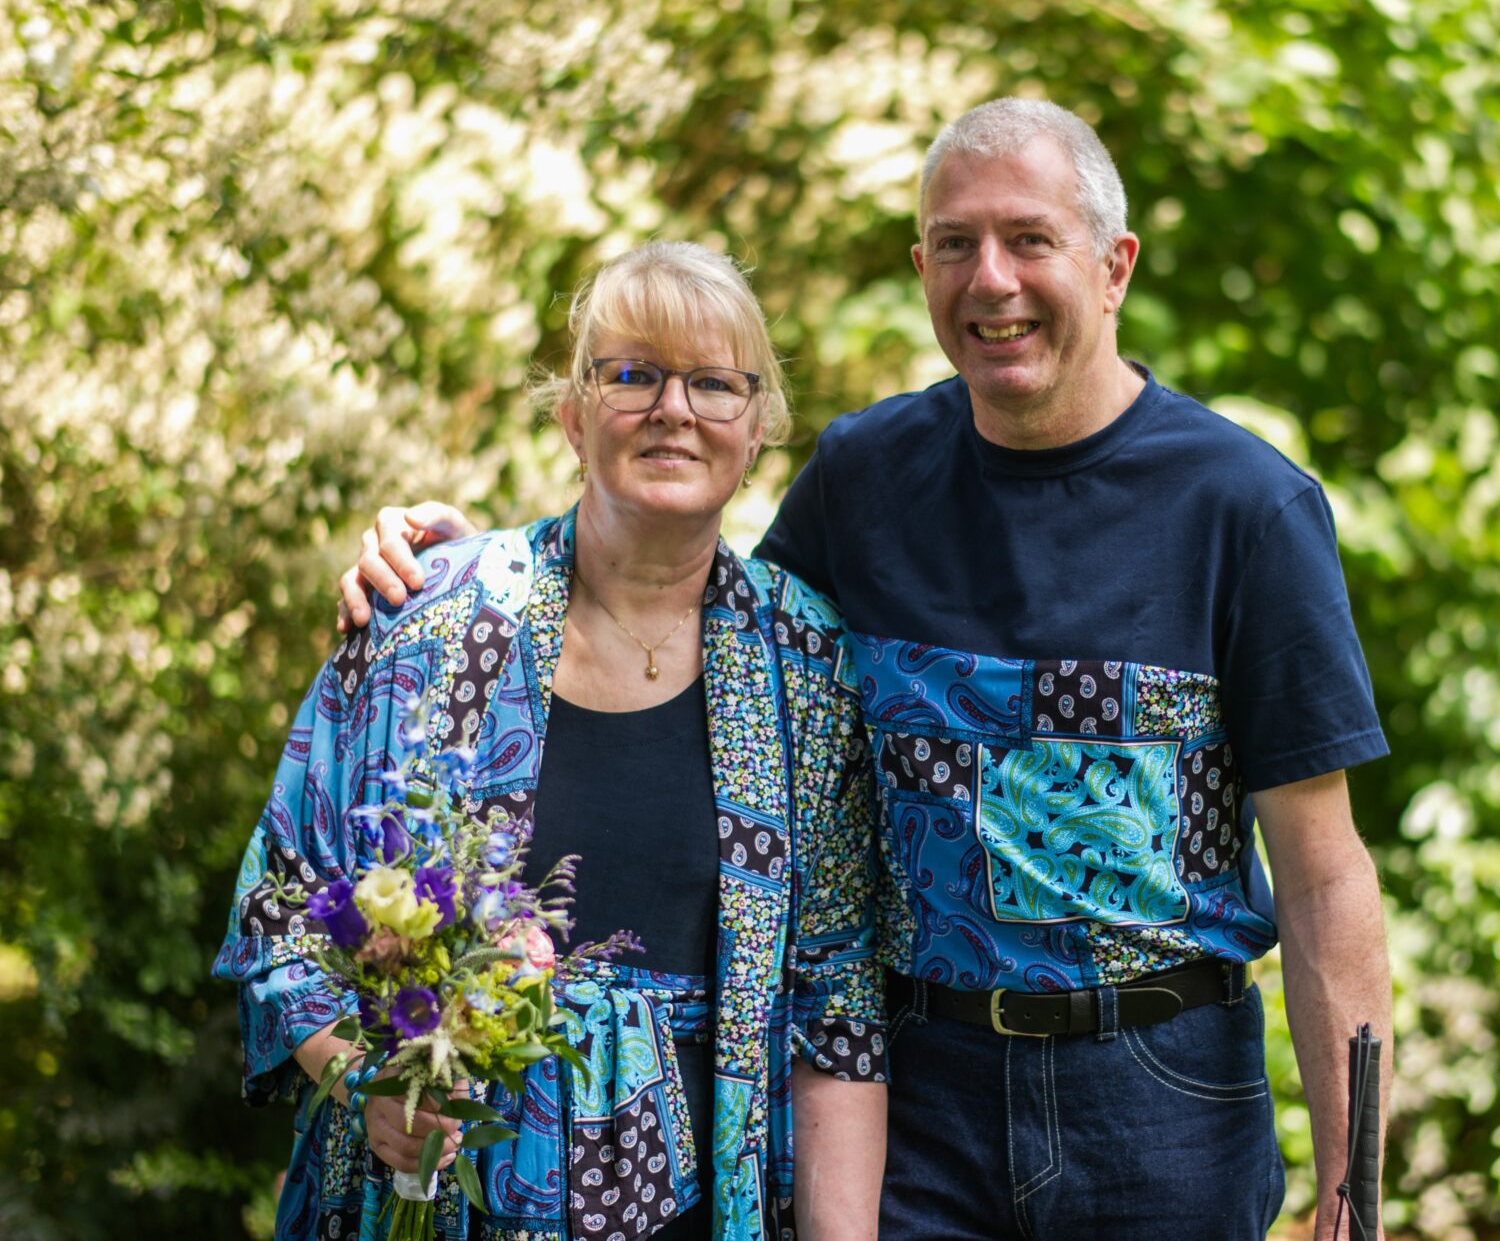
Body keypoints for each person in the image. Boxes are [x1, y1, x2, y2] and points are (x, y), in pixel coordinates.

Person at [337, 99, 1394, 1241]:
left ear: (1112, 266)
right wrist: (472, 566)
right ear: (921, 266)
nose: (989, 279)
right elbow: (686, 612)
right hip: (918, 1088)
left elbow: (1323, 876)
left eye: (1029, 239)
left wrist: (1354, 1193)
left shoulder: (1245, 508)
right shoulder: (867, 476)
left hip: (1159, 1099)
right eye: (953, 244)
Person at [216, 241, 888, 1241]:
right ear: (573, 416)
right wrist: (366, 1083)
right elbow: (280, 904)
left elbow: (837, 1014)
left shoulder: (807, 665)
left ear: (754, 434)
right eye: (633, 374)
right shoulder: (430, 621)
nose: (672, 407)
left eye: (711, 383)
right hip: (426, 1200)